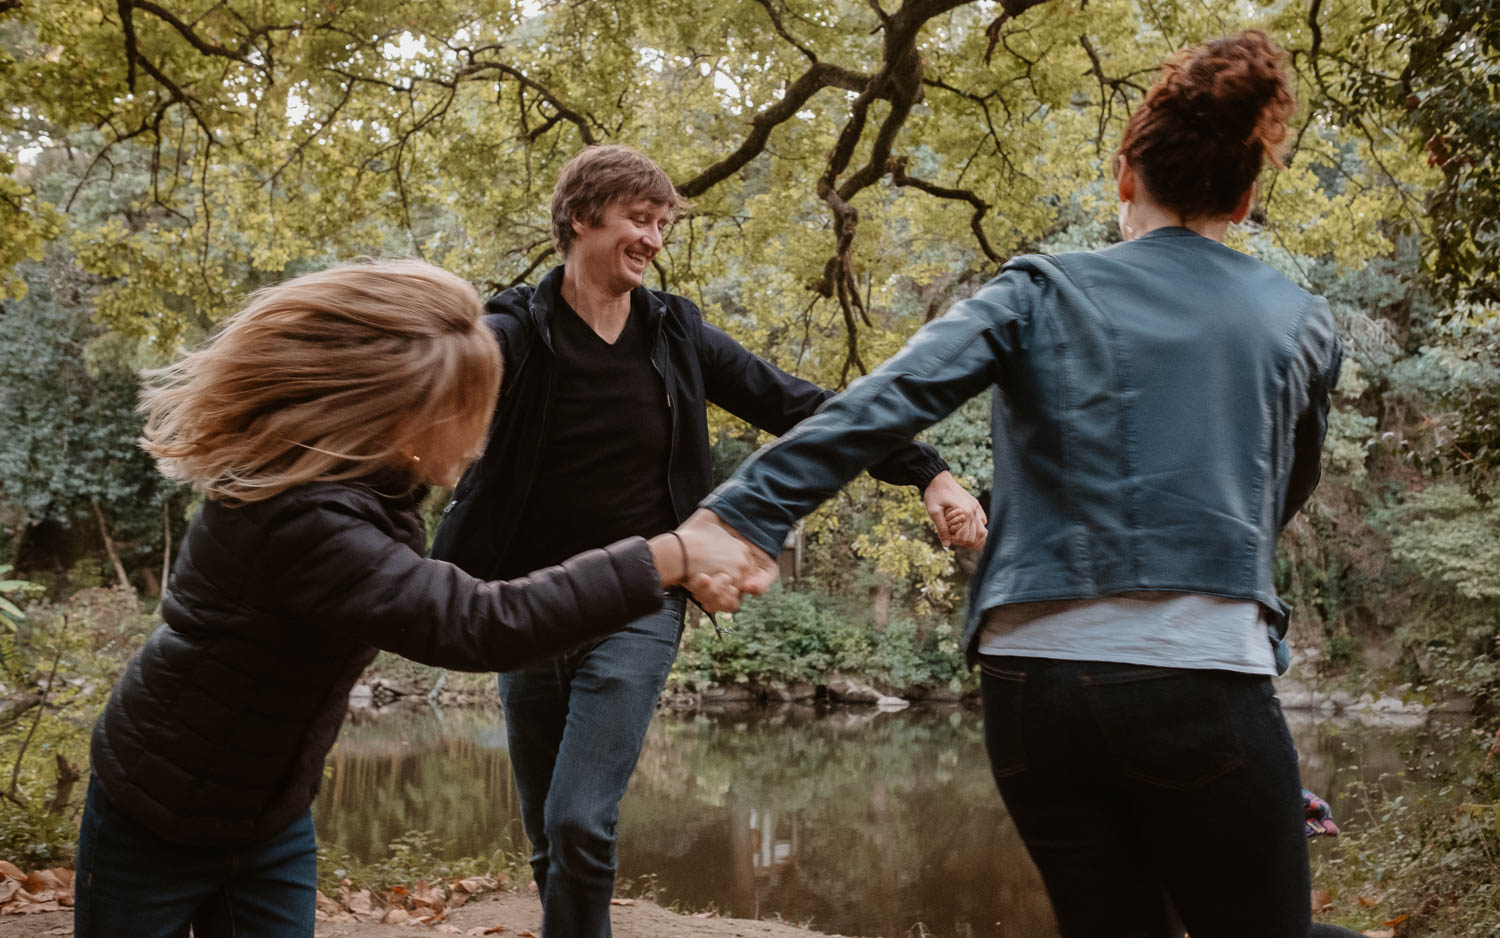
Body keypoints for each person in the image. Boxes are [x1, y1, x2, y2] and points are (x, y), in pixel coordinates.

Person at [687, 30, 1345, 938]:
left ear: (1125, 175)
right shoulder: (1302, 322)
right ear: (1244, 195)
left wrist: (743, 515)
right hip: (1200, 679)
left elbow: (882, 403)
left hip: (1035, 689)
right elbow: (1282, 492)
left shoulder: (1039, 289)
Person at [74, 259, 757, 938]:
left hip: (269, 816)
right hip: (156, 810)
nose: (481, 434)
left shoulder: (368, 486)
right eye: (470, 411)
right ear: (402, 415)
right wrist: (667, 554)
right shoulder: (303, 519)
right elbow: (477, 623)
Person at [428, 144, 987, 936]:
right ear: (582, 217)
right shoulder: (516, 329)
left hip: (639, 600)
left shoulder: (673, 334)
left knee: (580, 818)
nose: (655, 239)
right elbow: (428, 380)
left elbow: (804, 407)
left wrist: (927, 469)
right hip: (527, 602)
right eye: (639, 219)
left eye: (662, 224)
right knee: (546, 828)